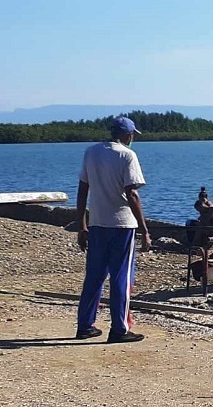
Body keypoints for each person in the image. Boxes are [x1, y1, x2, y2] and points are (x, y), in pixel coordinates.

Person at [75, 116, 150, 343]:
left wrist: (82, 225)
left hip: (98, 222)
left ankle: (85, 325)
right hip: (122, 224)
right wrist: (145, 229)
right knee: (121, 276)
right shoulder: (127, 155)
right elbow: (132, 193)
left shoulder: (91, 152)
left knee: (95, 276)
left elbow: (82, 189)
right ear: (128, 135)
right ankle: (119, 328)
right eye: (132, 135)